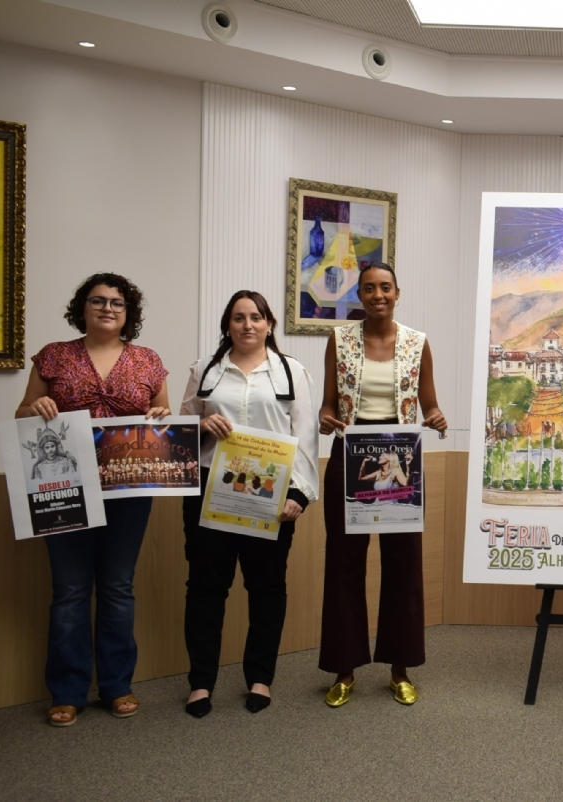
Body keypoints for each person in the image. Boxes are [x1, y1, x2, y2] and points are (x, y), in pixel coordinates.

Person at [16, 273, 171, 727]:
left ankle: (118, 685)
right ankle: (67, 691)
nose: (107, 308)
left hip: (128, 490)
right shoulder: (54, 356)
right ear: (81, 308)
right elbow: (22, 414)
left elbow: (160, 418)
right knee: (69, 590)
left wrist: (162, 415)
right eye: (98, 301)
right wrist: (35, 409)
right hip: (64, 487)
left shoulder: (147, 360)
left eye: (117, 303)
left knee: (119, 587)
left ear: (129, 312)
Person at [180, 290, 318, 718]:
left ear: (269, 323)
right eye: (238, 318)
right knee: (205, 589)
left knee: (266, 589)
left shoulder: (291, 372)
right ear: (228, 325)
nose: (247, 325)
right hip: (210, 493)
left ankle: (260, 677)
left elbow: (307, 436)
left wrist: (299, 495)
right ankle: (201, 682)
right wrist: (201, 424)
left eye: (255, 317)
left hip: (271, 498)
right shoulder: (205, 370)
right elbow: (179, 431)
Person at [318, 262, 447, 708]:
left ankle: (400, 668)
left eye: (385, 288)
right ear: (360, 294)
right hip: (350, 453)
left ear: (397, 293)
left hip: (402, 456)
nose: (378, 295)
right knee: (344, 563)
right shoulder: (339, 340)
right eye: (369, 288)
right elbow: (328, 406)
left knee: (403, 563)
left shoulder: (417, 343)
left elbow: (429, 404)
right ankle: (344, 669)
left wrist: (436, 417)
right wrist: (323, 419)